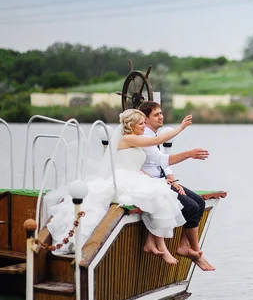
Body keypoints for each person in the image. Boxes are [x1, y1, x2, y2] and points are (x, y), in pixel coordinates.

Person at [47, 109, 193, 265]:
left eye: (144, 123)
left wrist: (147, 176)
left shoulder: (134, 140)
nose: (144, 126)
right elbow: (155, 142)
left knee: (162, 192)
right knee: (158, 194)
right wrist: (180, 128)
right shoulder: (127, 138)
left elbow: (133, 163)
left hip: (134, 176)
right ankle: (160, 246)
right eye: (141, 123)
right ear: (131, 125)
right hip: (123, 179)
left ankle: (153, 244)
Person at [138, 101, 215, 271]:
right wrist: (189, 154)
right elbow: (161, 160)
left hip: (164, 179)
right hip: (152, 182)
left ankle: (184, 246)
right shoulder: (143, 137)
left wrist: (172, 180)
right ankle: (195, 252)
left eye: (161, 113)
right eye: (156, 114)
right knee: (189, 206)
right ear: (146, 118)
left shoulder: (155, 136)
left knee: (199, 202)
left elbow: (164, 165)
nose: (161, 117)